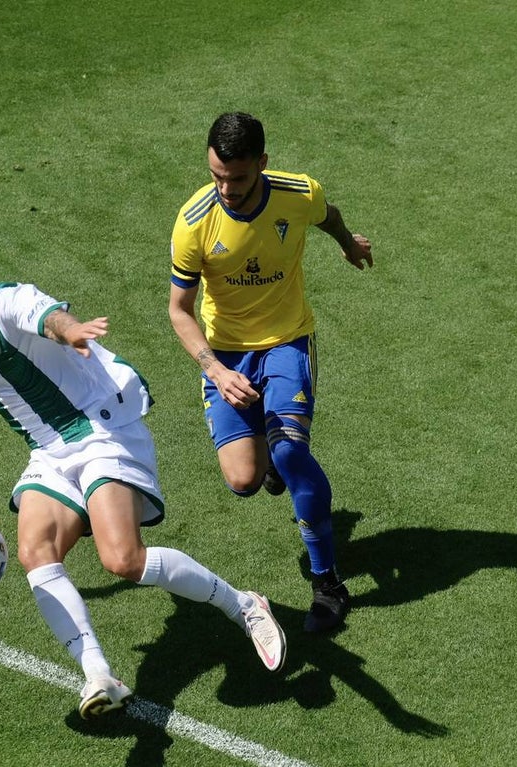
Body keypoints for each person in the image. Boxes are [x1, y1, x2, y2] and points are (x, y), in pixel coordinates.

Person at [0, 239, 286, 719]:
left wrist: (72, 331)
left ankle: (244, 606)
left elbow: (46, 319)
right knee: (35, 552)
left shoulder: (11, 302)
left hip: (103, 431)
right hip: (51, 450)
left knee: (123, 559)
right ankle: (99, 674)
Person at [168, 112, 373, 633]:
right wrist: (213, 369)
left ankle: (327, 584)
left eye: (236, 178)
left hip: (287, 342)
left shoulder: (297, 194)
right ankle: (273, 457)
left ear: (262, 163)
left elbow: (328, 216)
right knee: (243, 480)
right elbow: (178, 310)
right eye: (216, 176)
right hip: (227, 356)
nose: (225, 189)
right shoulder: (194, 223)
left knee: (290, 449)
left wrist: (349, 243)